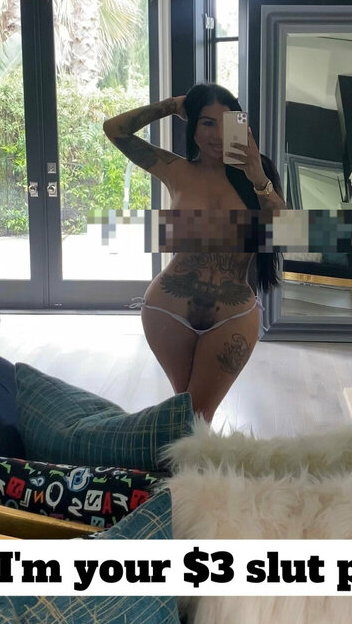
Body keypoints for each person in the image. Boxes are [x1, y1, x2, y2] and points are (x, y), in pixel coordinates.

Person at [103, 82, 286, 422]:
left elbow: (283, 231)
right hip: (167, 309)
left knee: (195, 414)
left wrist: (258, 177)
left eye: (225, 123)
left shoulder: (257, 176)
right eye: (207, 123)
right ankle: (183, 457)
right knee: (189, 412)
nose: (217, 135)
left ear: (240, 126)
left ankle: (172, 455)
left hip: (233, 314)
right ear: (192, 125)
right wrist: (171, 105)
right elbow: (114, 129)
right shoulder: (175, 169)